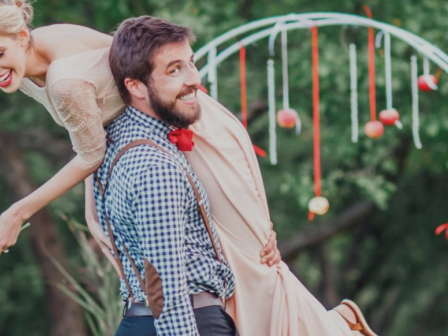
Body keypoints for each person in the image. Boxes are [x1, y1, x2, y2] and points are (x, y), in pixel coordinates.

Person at [0, 0, 377, 334]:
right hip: (151, 134)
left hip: (187, 130)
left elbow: (91, 150)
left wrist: (18, 211)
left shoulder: (65, 82)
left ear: (20, 34)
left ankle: (333, 326)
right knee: (218, 266)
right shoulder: (40, 47)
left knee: (257, 262)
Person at [95, 16, 239, 336]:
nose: (194, 79)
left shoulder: (113, 138)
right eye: (174, 70)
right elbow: (168, 295)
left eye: (191, 63)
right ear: (135, 86)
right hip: (186, 323)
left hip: (142, 321)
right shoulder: (155, 169)